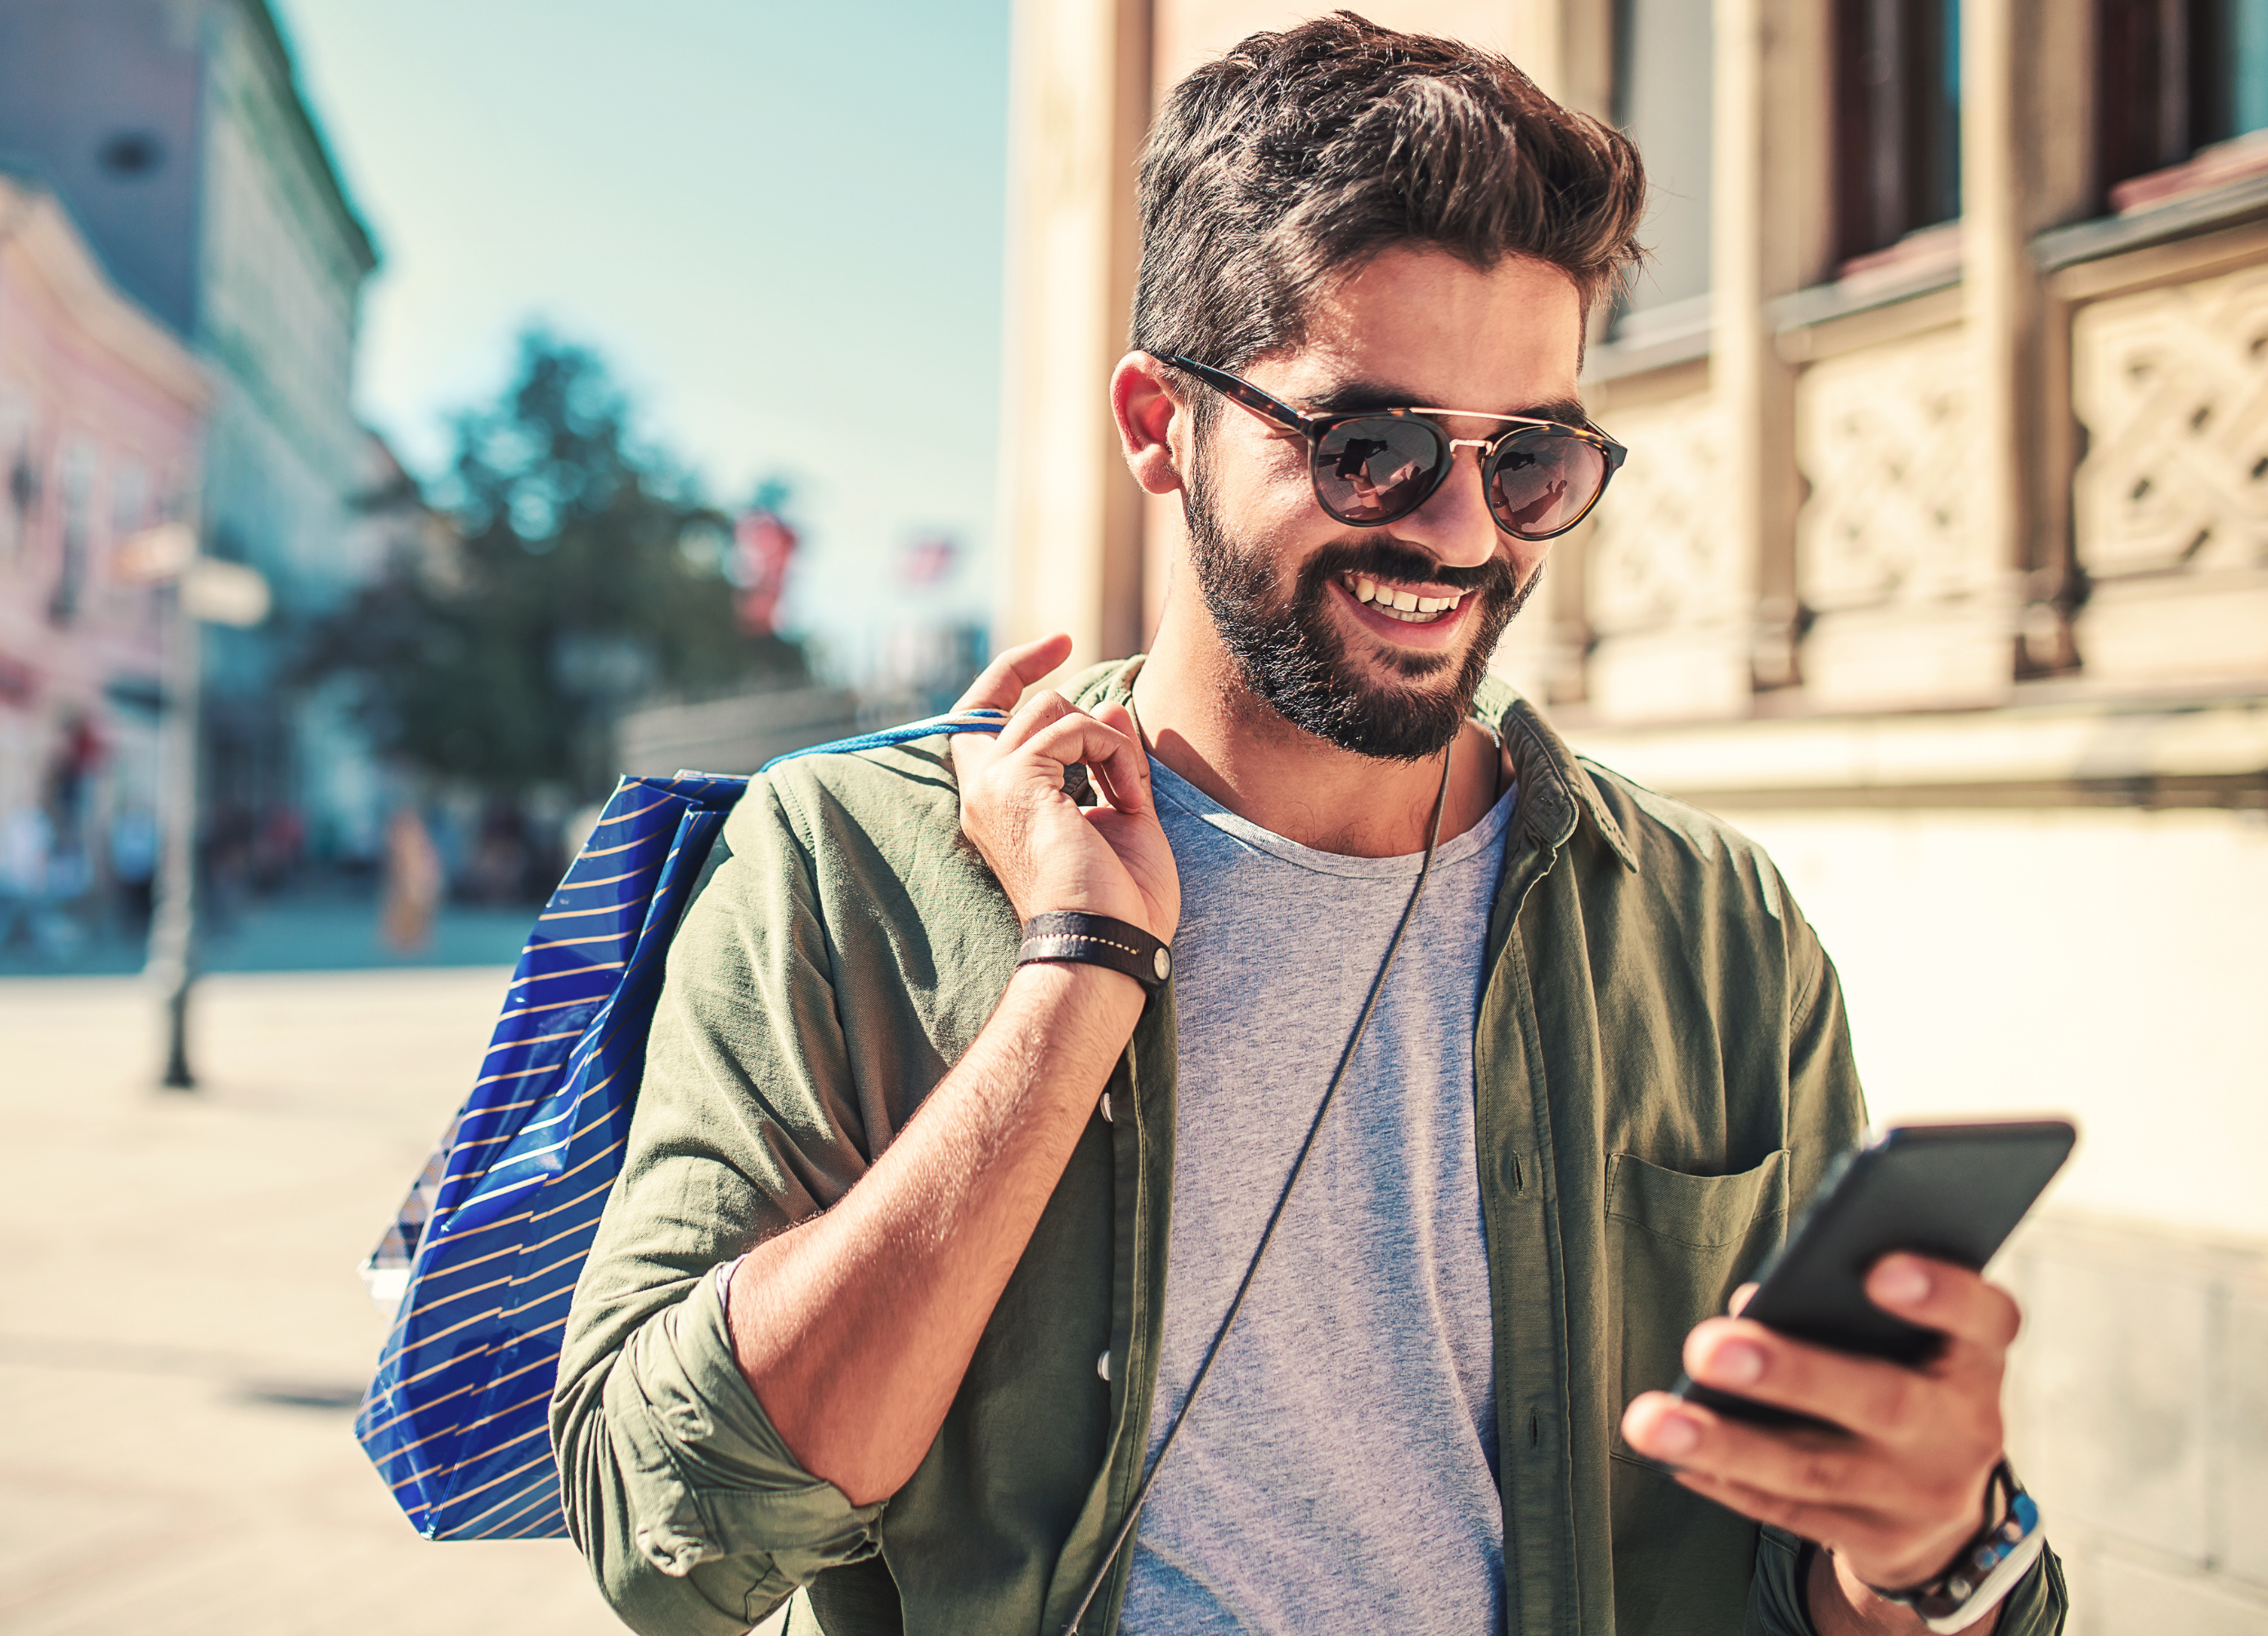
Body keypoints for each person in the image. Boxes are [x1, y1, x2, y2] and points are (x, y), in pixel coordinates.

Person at [552, 18, 2067, 1636]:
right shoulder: (851, 865)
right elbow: (673, 1541)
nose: (1460, 529)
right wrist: (1076, 973)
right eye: (1372, 448)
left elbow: (1805, 1586)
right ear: (1160, 424)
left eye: (1531, 458)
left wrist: (1930, 1550)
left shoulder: (1707, 924)